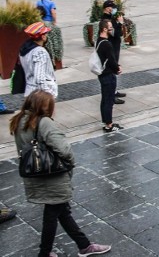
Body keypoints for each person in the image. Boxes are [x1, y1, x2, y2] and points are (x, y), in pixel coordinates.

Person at [10, 90, 112, 257]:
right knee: (52, 214)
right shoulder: (43, 123)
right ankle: (45, 252)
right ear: (44, 107)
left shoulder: (19, 120)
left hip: (34, 173)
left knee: (62, 210)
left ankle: (84, 246)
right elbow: (63, 149)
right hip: (53, 176)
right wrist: (71, 163)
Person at [96, 20, 123, 132]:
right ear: (104, 29)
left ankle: (106, 121)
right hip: (108, 74)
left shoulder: (99, 41)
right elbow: (111, 60)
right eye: (110, 27)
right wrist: (118, 68)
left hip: (102, 74)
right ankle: (109, 124)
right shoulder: (107, 44)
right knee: (109, 100)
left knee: (105, 99)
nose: (112, 29)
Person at [19, 22, 57, 98]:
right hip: (40, 95)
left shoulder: (25, 49)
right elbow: (39, 78)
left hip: (30, 90)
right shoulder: (40, 52)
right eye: (46, 34)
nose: (47, 36)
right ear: (43, 37)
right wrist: (49, 94)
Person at [102, 0, 126, 102]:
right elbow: (116, 34)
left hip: (115, 46)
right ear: (107, 8)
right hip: (111, 46)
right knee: (112, 68)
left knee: (114, 67)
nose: (114, 10)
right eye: (112, 8)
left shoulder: (110, 18)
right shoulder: (106, 20)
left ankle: (114, 91)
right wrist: (120, 23)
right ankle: (112, 95)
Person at [37, 0, 64, 69]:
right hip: (49, 22)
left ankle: (49, 61)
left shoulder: (39, 2)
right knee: (53, 41)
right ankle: (55, 61)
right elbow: (53, 12)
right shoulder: (51, 3)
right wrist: (55, 21)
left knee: (46, 42)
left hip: (41, 22)